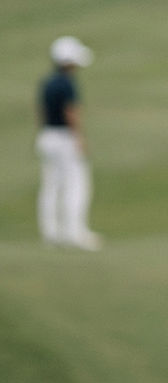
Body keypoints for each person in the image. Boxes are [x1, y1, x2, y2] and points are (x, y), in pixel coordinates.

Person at [35, 36, 102, 250]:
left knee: (51, 186)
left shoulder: (47, 82)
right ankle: (74, 233)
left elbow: (41, 111)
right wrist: (79, 137)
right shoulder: (67, 83)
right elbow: (71, 112)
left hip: (47, 136)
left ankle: (51, 233)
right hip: (64, 138)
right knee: (76, 184)